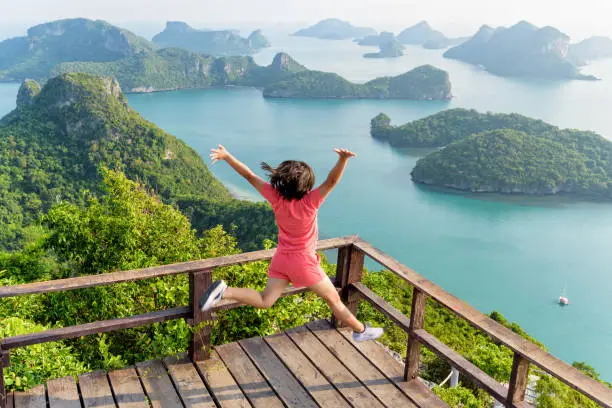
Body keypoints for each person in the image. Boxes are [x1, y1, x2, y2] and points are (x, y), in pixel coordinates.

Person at [199, 145, 383, 342]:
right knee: (334, 301)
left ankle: (225, 291)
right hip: (303, 263)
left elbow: (250, 176)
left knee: (265, 300)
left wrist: (227, 156)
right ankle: (361, 331)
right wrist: (343, 160)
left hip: (281, 259)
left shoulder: (276, 198)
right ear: (306, 185)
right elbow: (331, 181)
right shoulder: (310, 202)